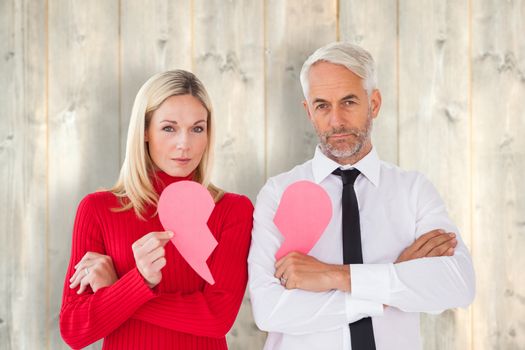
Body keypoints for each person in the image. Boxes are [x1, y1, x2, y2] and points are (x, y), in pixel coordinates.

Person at [248, 42, 475, 350]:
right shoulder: (278, 193)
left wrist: (332, 276)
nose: (336, 120)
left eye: (349, 101)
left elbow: (457, 284)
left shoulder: (413, 191)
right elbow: (270, 310)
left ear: (374, 103)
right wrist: (390, 283)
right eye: (322, 105)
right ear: (309, 112)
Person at [60, 70, 254, 349]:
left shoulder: (232, 210)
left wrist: (119, 290)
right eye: (169, 128)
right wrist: (140, 281)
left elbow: (217, 318)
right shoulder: (98, 209)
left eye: (197, 128)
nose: (184, 144)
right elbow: (74, 330)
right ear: (145, 131)